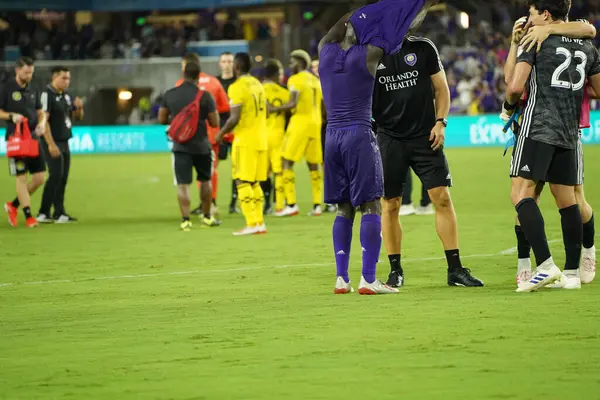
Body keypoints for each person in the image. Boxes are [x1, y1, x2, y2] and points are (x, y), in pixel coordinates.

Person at [318, 0, 439, 295]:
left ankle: (341, 278)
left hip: (332, 138)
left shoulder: (324, 52)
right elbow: (401, 27)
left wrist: (356, 16)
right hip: (359, 134)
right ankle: (369, 279)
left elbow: (340, 27)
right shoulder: (369, 55)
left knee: (343, 207)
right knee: (371, 204)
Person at [504, 0, 600, 292]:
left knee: (521, 194)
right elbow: (597, 89)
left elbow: (514, 86)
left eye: (532, 13)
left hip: (538, 126)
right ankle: (571, 274)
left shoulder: (537, 40)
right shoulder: (587, 46)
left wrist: (508, 109)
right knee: (566, 199)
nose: (529, 19)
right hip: (569, 128)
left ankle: (545, 264)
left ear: (545, 14)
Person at [373, 35, 483, 288]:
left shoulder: (423, 47)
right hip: (389, 139)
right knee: (390, 204)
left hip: (425, 136)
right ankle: (395, 270)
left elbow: (441, 88)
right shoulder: (372, 52)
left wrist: (441, 122)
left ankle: (455, 270)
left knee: (442, 198)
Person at [158, 62, 220, 231]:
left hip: (180, 146)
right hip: (202, 145)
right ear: (198, 76)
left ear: (183, 74)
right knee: (205, 180)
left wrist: (179, 123)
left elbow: (162, 119)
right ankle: (207, 217)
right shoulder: (205, 96)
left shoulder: (170, 94)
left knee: (183, 184)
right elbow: (215, 123)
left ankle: (185, 220)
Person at [216, 52, 268, 236]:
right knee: (255, 182)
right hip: (262, 139)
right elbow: (266, 111)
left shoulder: (237, 87)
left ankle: (251, 223)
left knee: (242, 180)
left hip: (245, 140)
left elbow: (234, 117)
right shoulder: (258, 84)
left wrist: (221, 133)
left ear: (237, 66)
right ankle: (259, 223)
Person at [175, 54, 230, 219]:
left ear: (186, 66)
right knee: (209, 171)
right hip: (210, 135)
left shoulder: (179, 85)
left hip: (186, 137)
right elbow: (225, 108)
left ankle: (200, 208)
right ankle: (210, 204)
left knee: (186, 177)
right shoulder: (214, 82)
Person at [270, 49, 323, 217]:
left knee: (286, 161)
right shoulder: (315, 80)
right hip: (316, 124)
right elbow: (323, 106)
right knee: (314, 164)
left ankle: (291, 204)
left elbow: (292, 103)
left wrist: (274, 108)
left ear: (300, 63)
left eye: (292, 62)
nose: (289, 66)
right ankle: (317, 205)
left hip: (300, 122)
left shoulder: (295, 79)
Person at [1, 57, 50, 228]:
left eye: (31, 73)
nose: (29, 76)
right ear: (17, 71)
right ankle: (29, 216)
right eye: (26, 72)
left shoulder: (33, 88)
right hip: (16, 139)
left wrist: (42, 124)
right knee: (21, 177)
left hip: (33, 138)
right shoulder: (6, 88)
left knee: (39, 178)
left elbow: (40, 111)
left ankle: (13, 205)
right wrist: (11, 116)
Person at [37, 66, 84, 224]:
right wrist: (50, 144)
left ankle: (59, 213)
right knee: (55, 175)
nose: (67, 81)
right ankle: (43, 212)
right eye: (64, 78)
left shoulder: (66, 96)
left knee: (63, 177)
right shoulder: (46, 95)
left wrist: (80, 107)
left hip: (64, 140)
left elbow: (77, 117)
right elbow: (44, 120)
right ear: (54, 78)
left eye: (68, 78)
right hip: (52, 141)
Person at [262, 59, 290, 214]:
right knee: (279, 171)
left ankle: (266, 204)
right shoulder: (284, 93)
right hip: (278, 135)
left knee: (263, 173)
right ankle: (280, 205)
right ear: (275, 74)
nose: (282, 76)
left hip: (261, 136)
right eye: (280, 73)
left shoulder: (258, 90)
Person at [216, 51, 239, 215]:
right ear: (220, 64)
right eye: (224, 61)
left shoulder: (239, 82)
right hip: (219, 129)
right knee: (213, 165)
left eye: (230, 61)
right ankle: (210, 201)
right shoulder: (215, 83)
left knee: (237, 166)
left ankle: (233, 202)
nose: (227, 64)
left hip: (237, 129)